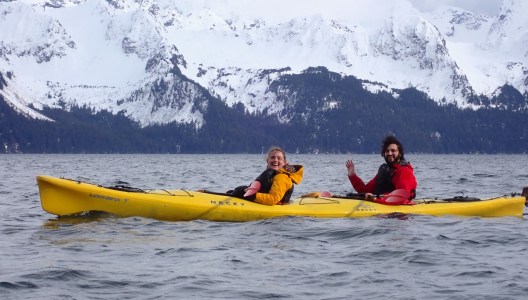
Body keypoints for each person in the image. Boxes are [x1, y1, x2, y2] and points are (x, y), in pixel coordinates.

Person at [345, 135, 417, 200]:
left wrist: (376, 197)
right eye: (387, 151)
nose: (389, 153)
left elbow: (402, 196)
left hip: (398, 212)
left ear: (400, 153)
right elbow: (365, 190)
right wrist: (352, 175)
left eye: (393, 151)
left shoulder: (404, 171)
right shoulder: (385, 170)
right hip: (382, 204)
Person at [229, 146, 304, 205]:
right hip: (263, 204)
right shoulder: (271, 175)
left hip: (276, 214)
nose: (275, 160)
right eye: (272, 157)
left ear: (284, 162)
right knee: (237, 190)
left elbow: (273, 199)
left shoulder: (282, 177)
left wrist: (252, 196)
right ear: (267, 161)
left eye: (279, 158)